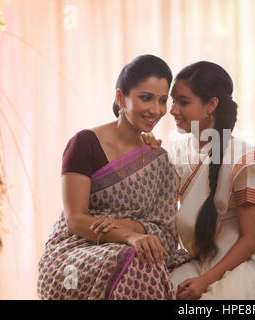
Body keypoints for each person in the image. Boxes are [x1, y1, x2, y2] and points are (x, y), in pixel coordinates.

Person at [144, 61, 255, 299]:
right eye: (173, 101)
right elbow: (154, 208)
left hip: (237, 272)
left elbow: (249, 239)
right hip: (196, 264)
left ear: (211, 105)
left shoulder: (242, 159)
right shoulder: (177, 154)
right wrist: (142, 149)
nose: (173, 110)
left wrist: (204, 282)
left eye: (184, 102)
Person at [37, 55, 189, 300]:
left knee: (147, 259)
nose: (155, 110)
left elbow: (168, 234)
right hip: (77, 249)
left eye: (162, 101)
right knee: (139, 261)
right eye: (145, 98)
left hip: (138, 248)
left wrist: (129, 229)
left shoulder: (159, 160)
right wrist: (129, 235)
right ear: (121, 98)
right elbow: (75, 220)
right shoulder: (85, 144)